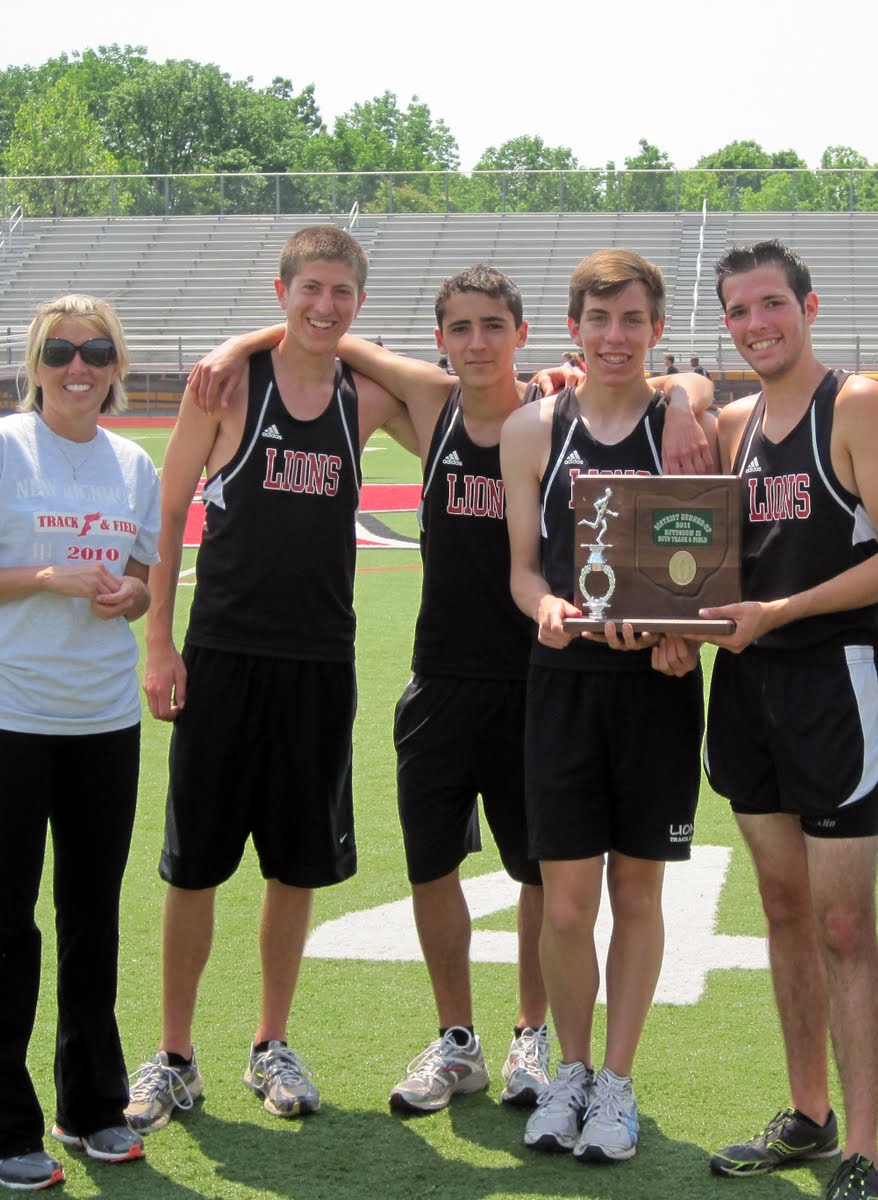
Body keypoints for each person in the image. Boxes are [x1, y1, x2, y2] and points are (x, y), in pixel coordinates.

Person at [186, 262, 708, 1119]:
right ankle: (458, 1038)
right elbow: (330, 333)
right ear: (439, 340)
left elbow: (677, 379)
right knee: (432, 862)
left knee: (542, 871)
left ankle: (531, 1035)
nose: (476, 342)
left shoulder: (552, 413)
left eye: (493, 327)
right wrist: (245, 339)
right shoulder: (429, 405)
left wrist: (682, 393)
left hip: (541, 680)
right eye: (460, 328)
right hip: (441, 677)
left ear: (523, 334)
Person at [125, 226, 405, 1134]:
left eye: (342, 294)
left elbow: (457, 396)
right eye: (310, 289)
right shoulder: (229, 387)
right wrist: (160, 645)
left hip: (320, 665)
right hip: (225, 659)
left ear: (360, 304)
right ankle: (173, 1055)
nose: (324, 307)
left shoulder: (364, 400)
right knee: (194, 867)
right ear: (279, 288)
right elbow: (169, 513)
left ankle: (269, 1042)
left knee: (296, 868)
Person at [695, 240, 878, 1199]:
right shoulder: (735, 423)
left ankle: (863, 1147)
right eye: (740, 312)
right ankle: (806, 1113)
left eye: (772, 306)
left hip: (832, 683)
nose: (757, 325)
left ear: (809, 306)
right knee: (783, 909)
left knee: (841, 922)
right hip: (746, 691)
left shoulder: (858, 404)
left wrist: (791, 618)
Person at [0, 294, 160, 1190]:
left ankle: (92, 1105)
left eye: (96, 351)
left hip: (103, 722)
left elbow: (139, 581)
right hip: (2, 721)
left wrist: (127, 599)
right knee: (2, 923)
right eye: (60, 351)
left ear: (115, 365)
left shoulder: (132, 463)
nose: (78, 368)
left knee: (91, 921)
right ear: (36, 362)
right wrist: (44, 576)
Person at [500, 248, 713, 1164]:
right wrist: (543, 606)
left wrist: (685, 634)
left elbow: (700, 568)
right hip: (565, 684)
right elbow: (521, 567)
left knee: (637, 891)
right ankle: (573, 1071)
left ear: (655, 330)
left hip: (658, 689)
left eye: (633, 320)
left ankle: (617, 1080)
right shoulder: (532, 430)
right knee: (562, 904)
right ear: (573, 328)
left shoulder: (688, 424)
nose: (615, 336)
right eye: (600, 319)